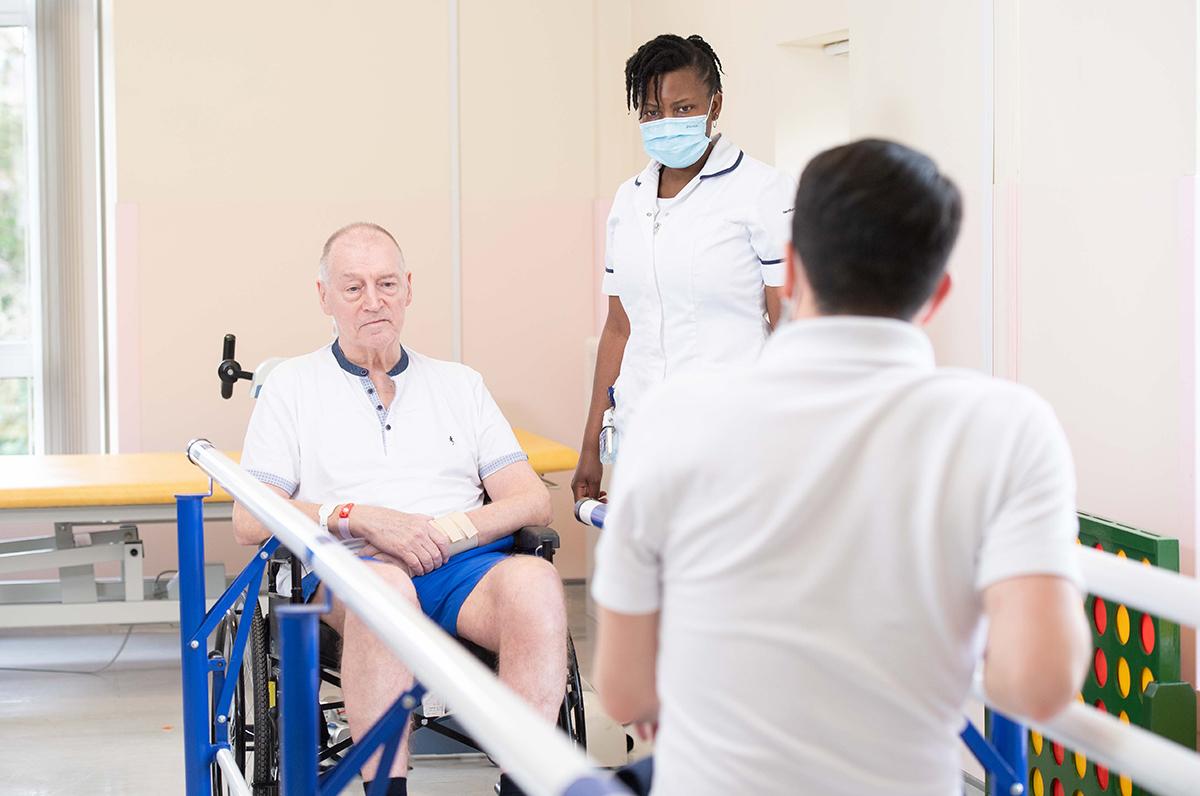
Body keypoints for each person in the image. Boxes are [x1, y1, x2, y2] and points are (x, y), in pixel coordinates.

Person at [590, 140, 1092, 795]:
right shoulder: (1007, 429)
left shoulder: (670, 419)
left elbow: (625, 692)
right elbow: (1035, 685)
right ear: (938, 292)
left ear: (791, 270)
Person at [232, 222, 567, 796]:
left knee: (535, 583)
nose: (373, 301)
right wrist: (356, 515)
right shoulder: (291, 385)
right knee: (386, 592)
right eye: (353, 287)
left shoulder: (460, 384)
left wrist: (446, 530)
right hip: (351, 568)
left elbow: (531, 497)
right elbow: (249, 517)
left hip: (462, 568)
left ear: (408, 288)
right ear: (324, 297)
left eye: (386, 284)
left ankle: (524, 785)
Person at [572, 33, 797, 501]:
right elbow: (618, 328)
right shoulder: (628, 199)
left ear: (715, 106)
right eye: (652, 112)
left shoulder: (762, 192)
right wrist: (591, 442)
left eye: (682, 108)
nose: (666, 123)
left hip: (732, 435)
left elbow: (789, 327)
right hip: (642, 433)